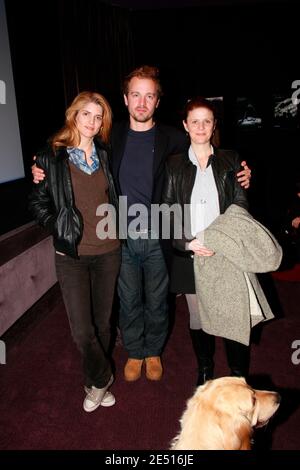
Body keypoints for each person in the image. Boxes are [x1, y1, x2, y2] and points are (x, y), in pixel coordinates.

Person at [31, 66, 251, 383]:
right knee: (129, 298)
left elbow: (210, 153)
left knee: (159, 299)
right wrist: (39, 165)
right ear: (125, 98)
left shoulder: (175, 138)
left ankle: (153, 352)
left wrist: (242, 169)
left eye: (149, 96)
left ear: (157, 102)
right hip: (118, 233)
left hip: (161, 231)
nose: (142, 102)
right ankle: (134, 350)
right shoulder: (110, 135)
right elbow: (71, 147)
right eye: (136, 95)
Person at [29, 91, 120, 412]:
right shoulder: (50, 158)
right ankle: (105, 376)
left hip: (109, 252)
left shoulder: (107, 155)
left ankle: (93, 383)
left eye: (99, 117)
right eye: (87, 115)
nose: (93, 123)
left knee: (103, 325)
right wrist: (59, 226)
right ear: (74, 115)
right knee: (83, 331)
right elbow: (37, 203)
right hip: (72, 257)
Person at [162, 96, 252, 386]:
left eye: (207, 121)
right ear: (185, 126)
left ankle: (238, 375)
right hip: (191, 253)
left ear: (214, 126)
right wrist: (187, 244)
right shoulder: (173, 164)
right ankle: (205, 369)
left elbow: (240, 205)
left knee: (231, 314)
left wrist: (222, 241)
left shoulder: (231, 159)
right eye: (195, 121)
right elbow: (167, 212)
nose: (201, 126)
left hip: (225, 252)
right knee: (199, 318)